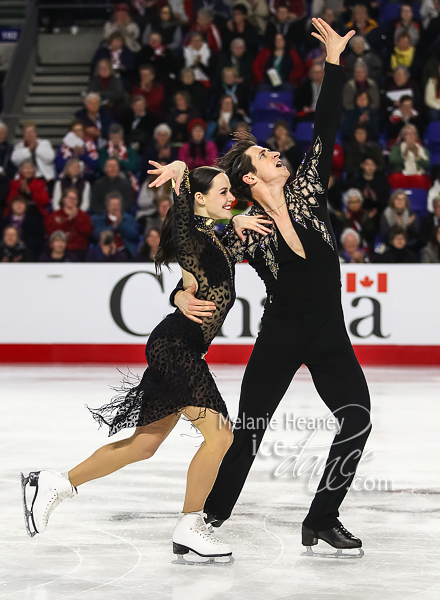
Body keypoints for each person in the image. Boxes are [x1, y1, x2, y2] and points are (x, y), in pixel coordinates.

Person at [173, 19, 371, 557]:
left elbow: (326, 126)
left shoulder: (307, 192)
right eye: (264, 155)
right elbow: (192, 252)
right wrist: (209, 217)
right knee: (249, 431)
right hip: (281, 335)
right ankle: (206, 519)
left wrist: (333, 62)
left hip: (329, 332)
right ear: (249, 181)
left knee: (357, 419)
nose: (275, 153)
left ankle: (322, 517)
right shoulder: (245, 231)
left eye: (271, 151)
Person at [20, 158, 271, 565]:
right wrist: (182, 173)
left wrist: (234, 224)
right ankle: (190, 527)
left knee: (144, 445)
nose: (231, 198)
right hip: (177, 348)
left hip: (176, 346)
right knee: (221, 435)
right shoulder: (195, 235)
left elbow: (209, 261)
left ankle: (54, 483)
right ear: (199, 200)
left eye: (231, 191)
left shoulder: (218, 240)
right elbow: (186, 228)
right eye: (223, 192)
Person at [46, 188, 93, 261]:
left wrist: (75, 219)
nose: (72, 200)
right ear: (63, 199)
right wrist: (68, 220)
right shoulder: (54, 215)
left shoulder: (83, 216)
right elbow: (50, 232)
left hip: (78, 249)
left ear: (78, 201)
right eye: (69, 198)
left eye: (74, 199)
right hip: (59, 249)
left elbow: (88, 231)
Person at [91, 191, 139, 258]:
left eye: (117, 205)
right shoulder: (100, 220)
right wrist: (113, 226)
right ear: (107, 206)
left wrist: (121, 224)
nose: (115, 207)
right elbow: (97, 235)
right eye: (113, 205)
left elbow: (134, 236)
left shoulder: (128, 219)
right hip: (104, 252)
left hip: (124, 251)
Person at [0, 196, 45, 261]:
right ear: (11, 206)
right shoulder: (3, 222)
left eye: (21, 203)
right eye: (16, 204)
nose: (19, 206)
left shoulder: (34, 221)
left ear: (25, 206)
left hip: (28, 253)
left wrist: (24, 246)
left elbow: (39, 239)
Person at [388, 124, 431, 190]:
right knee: (395, 178)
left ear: (416, 136)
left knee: (423, 180)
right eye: (408, 134)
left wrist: (417, 156)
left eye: (413, 134)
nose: (411, 136)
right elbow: (392, 160)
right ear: (403, 136)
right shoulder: (396, 148)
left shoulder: (423, 150)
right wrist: (404, 155)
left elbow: (427, 164)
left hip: (417, 173)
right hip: (402, 173)